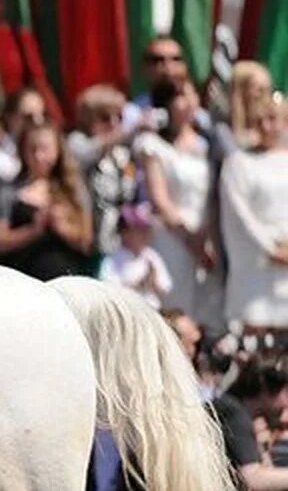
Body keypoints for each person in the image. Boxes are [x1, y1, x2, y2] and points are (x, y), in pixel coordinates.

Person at [134, 78, 222, 328]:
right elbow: (160, 200)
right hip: (173, 240)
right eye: (180, 96)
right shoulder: (154, 146)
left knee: (206, 315)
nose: (189, 102)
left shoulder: (209, 145)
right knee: (174, 312)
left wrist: (207, 240)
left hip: (208, 240)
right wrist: (191, 240)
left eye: (191, 94)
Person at [0, 122, 94, 280]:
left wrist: (61, 227)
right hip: (21, 280)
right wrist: (33, 230)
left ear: (57, 150)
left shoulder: (72, 189)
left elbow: (86, 242)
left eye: (44, 149)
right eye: (32, 149)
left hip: (62, 279)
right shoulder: (11, 190)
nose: (38, 156)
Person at [221, 97, 288, 329]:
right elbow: (240, 215)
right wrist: (271, 248)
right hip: (256, 268)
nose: (266, 126)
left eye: (272, 119)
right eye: (259, 120)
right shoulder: (239, 163)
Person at [67, 84, 140, 255]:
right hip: (91, 245)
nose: (114, 123)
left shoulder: (123, 154)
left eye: (119, 117)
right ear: (88, 119)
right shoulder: (76, 142)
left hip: (124, 247)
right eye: (105, 117)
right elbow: (92, 150)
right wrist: (132, 129)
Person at [212, 359, 288, 489]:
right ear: (265, 389)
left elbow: (265, 470)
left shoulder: (234, 409)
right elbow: (253, 479)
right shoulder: (235, 414)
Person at [99, 203, 173, 309]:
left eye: (146, 230)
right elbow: (109, 291)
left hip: (152, 311)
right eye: (139, 230)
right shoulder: (112, 260)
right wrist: (139, 285)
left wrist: (153, 282)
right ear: (124, 232)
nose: (146, 234)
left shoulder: (151, 256)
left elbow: (166, 288)